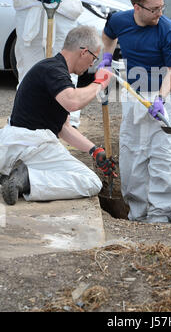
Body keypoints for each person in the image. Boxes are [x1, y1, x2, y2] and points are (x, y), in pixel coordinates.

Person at [99, 0, 171, 224]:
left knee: (164, 155)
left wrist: (160, 98)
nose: (160, 13)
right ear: (136, 7)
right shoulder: (120, 21)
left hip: (167, 94)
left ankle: (160, 216)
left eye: (162, 7)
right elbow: (108, 35)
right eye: (154, 9)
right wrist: (107, 56)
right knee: (133, 154)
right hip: (134, 94)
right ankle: (137, 215)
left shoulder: (167, 29)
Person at [0, 26, 115, 206]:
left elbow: (64, 127)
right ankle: (27, 180)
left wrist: (94, 150)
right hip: (33, 145)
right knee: (91, 182)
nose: (92, 64)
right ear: (84, 52)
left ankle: (13, 173)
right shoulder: (54, 70)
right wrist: (99, 83)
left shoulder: (52, 70)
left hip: (16, 144)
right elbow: (72, 101)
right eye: (93, 58)